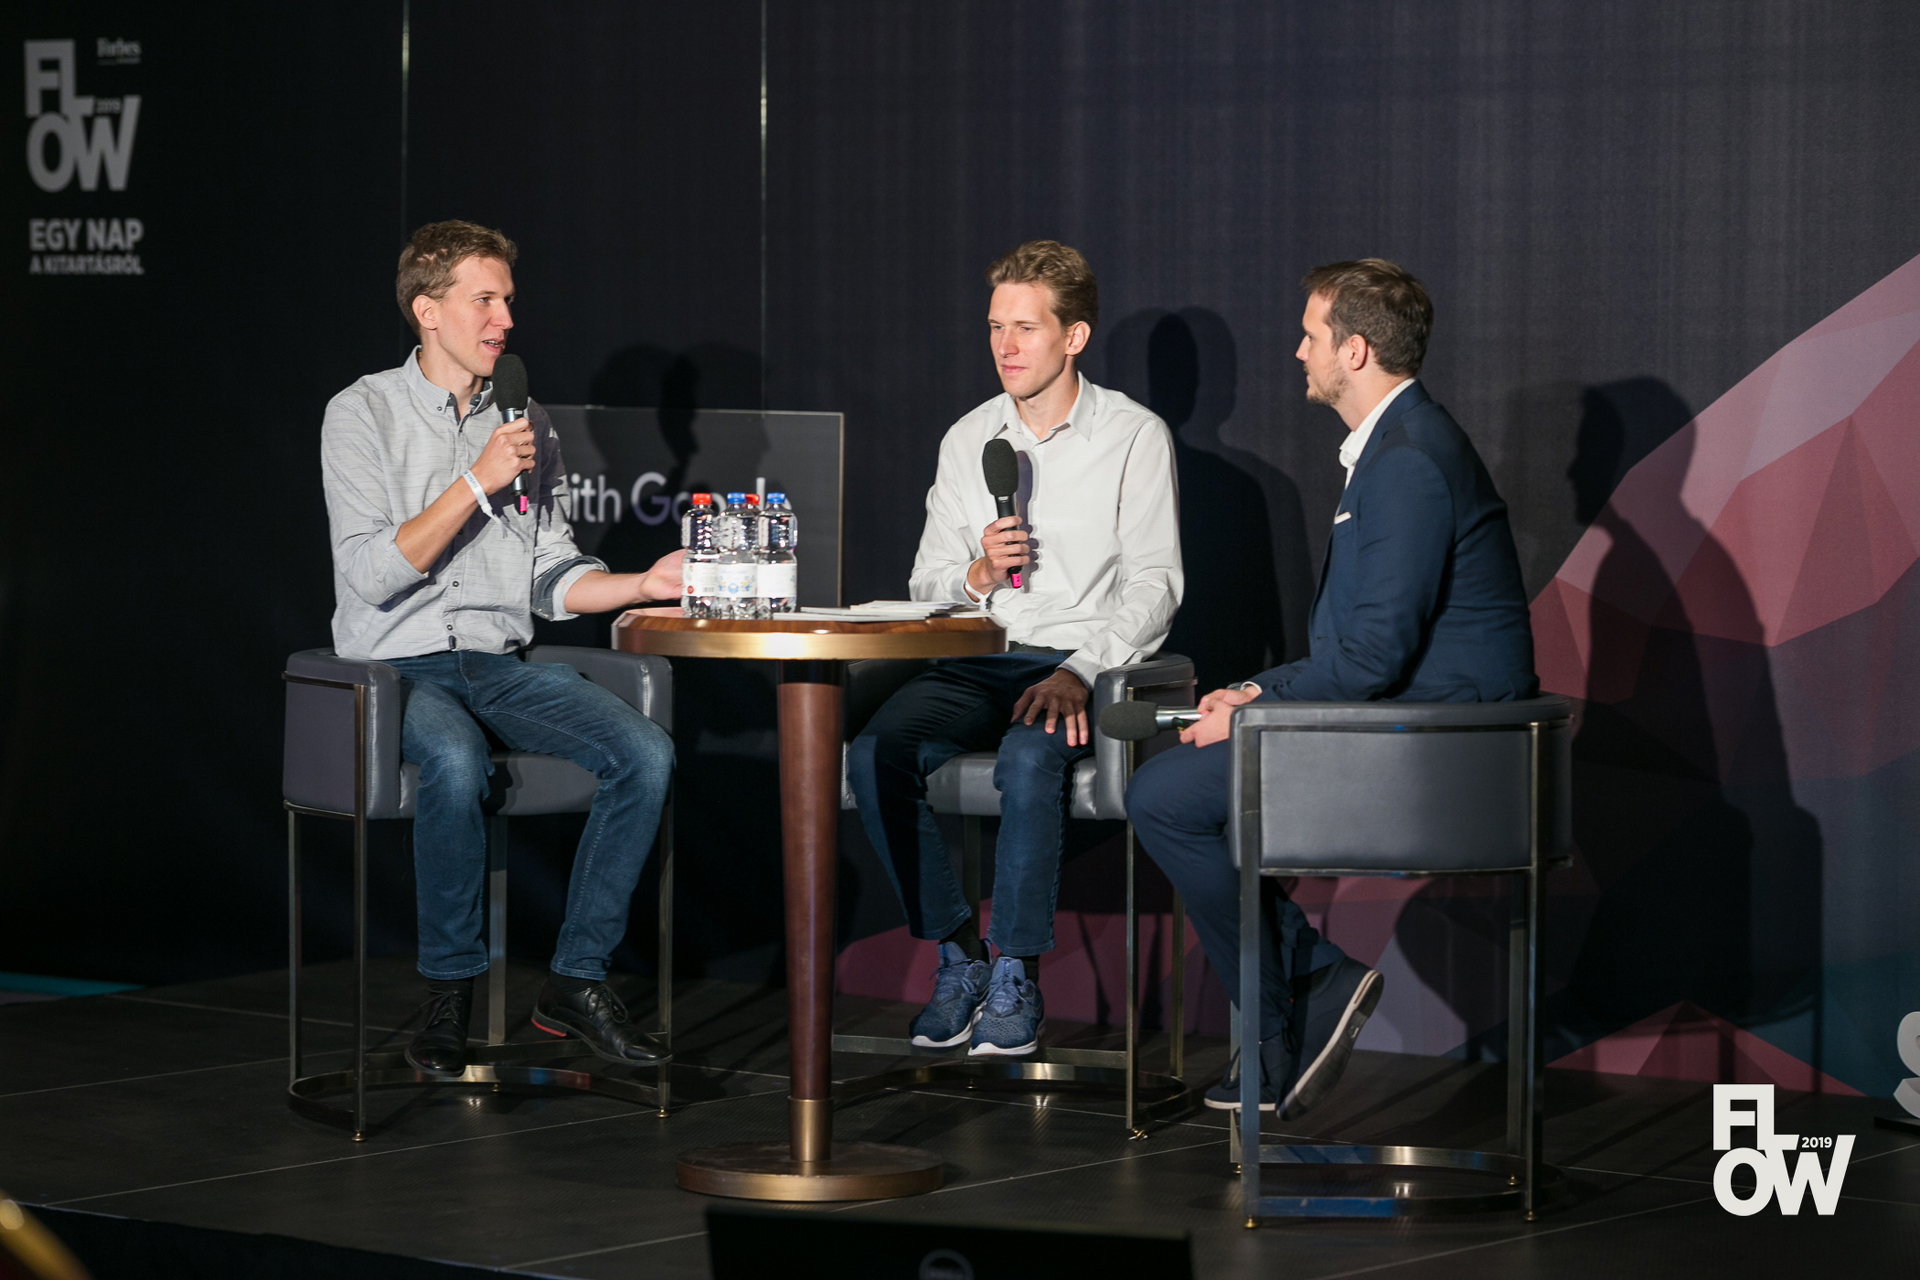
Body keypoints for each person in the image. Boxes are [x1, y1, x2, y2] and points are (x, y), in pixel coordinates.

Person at [1127, 259, 1536, 1116]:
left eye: (1311, 335)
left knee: (1165, 796)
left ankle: (1288, 1005)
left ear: (1354, 351)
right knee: (1180, 787)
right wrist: (1252, 692)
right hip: (1403, 728)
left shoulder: (1408, 460)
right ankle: (1302, 989)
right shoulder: (1398, 447)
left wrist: (1255, 708)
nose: (1298, 351)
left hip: (1439, 756)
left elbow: (1373, 658)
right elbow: (1362, 652)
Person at [320, 221, 683, 1077]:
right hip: (395, 665)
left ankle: (575, 980)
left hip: (494, 663)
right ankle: (449, 992)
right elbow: (372, 573)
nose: (506, 320)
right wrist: (477, 481)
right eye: (484, 300)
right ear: (427, 311)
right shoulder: (361, 412)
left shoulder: (526, 421)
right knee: (452, 761)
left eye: (508, 300)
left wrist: (641, 582)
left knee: (646, 753)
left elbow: (549, 575)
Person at [847, 240, 1183, 1057]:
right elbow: (927, 581)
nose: (1005, 346)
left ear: (1074, 337)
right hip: (978, 655)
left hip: (1079, 661)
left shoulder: (1133, 435)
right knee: (874, 752)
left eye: (1026, 328)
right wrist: (975, 572)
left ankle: (1016, 974)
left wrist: (1081, 670)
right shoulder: (969, 437)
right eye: (996, 327)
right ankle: (958, 954)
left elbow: (1156, 584)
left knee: (1030, 760)